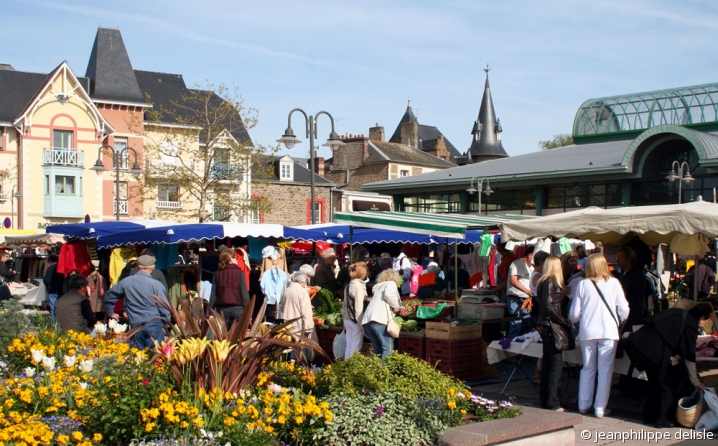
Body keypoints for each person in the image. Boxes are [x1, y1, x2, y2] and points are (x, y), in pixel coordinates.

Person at [627, 303, 714, 427]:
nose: (706, 323)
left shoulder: (678, 313)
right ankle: (664, 419)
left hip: (640, 345)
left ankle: (649, 416)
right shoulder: (690, 324)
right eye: (707, 320)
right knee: (667, 384)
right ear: (702, 317)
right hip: (653, 350)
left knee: (655, 382)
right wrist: (696, 381)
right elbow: (689, 354)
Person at [569, 254, 630, 418]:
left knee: (587, 368)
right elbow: (624, 308)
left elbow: (574, 313)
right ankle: (600, 408)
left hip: (588, 330)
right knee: (605, 371)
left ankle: (583, 404)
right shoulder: (614, 283)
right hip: (608, 330)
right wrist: (622, 320)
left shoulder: (583, 284)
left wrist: (575, 322)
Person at [103, 255, 171, 349]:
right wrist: (166, 325)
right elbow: (164, 308)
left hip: (135, 325)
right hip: (155, 325)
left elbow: (109, 296)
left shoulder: (126, 282)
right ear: (152, 267)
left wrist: (110, 312)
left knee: (138, 359)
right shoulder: (156, 285)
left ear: (138, 266)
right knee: (155, 359)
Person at [536, 255, 572, 411]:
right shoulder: (550, 281)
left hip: (547, 325)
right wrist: (563, 320)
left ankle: (547, 399)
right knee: (555, 365)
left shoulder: (544, 281)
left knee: (549, 363)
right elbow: (549, 306)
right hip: (552, 326)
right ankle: (552, 401)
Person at [360, 268, 401, 359]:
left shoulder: (378, 288)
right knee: (387, 348)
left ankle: (375, 371)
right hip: (379, 320)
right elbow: (388, 295)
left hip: (368, 321)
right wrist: (396, 307)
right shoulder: (391, 283)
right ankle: (384, 372)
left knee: (378, 349)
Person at [208, 249, 250, 325]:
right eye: (235, 257)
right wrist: (248, 312)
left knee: (223, 336)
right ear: (231, 259)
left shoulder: (217, 274)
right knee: (238, 335)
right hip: (238, 309)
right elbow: (244, 294)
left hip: (222, 310)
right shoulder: (239, 273)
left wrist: (210, 313)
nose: (236, 259)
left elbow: (213, 295)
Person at [614, 246, 649, 331]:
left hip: (634, 317)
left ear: (629, 259)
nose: (617, 260)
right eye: (617, 257)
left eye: (620, 257)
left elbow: (626, 293)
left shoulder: (637, 275)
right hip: (624, 317)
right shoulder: (622, 275)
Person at [507, 246, 534, 337]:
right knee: (516, 326)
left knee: (527, 325)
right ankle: (510, 347)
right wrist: (527, 291)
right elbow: (513, 280)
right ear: (530, 256)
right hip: (515, 298)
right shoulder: (517, 263)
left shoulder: (531, 267)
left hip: (527, 299)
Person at [343, 262, 368, 359]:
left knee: (349, 345)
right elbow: (358, 308)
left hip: (347, 319)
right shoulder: (358, 287)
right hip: (355, 320)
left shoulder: (349, 285)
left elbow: (344, 305)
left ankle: (345, 366)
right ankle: (351, 369)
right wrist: (360, 324)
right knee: (355, 346)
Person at [279, 271, 314, 338]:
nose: (306, 283)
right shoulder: (302, 291)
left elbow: (281, 306)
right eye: (306, 281)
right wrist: (308, 328)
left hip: (287, 324)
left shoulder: (287, 290)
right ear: (302, 281)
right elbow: (306, 311)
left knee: (288, 344)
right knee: (298, 345)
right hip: (298, 325)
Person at [43, 254, 65, 323]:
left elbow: (46, 280)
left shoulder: (50, 269)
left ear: (50, 261)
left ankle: (54, 324)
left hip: (52, 291)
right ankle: (62, 324)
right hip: (62, 290)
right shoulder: (63, 267)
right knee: (62, 308)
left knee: (53, 309)